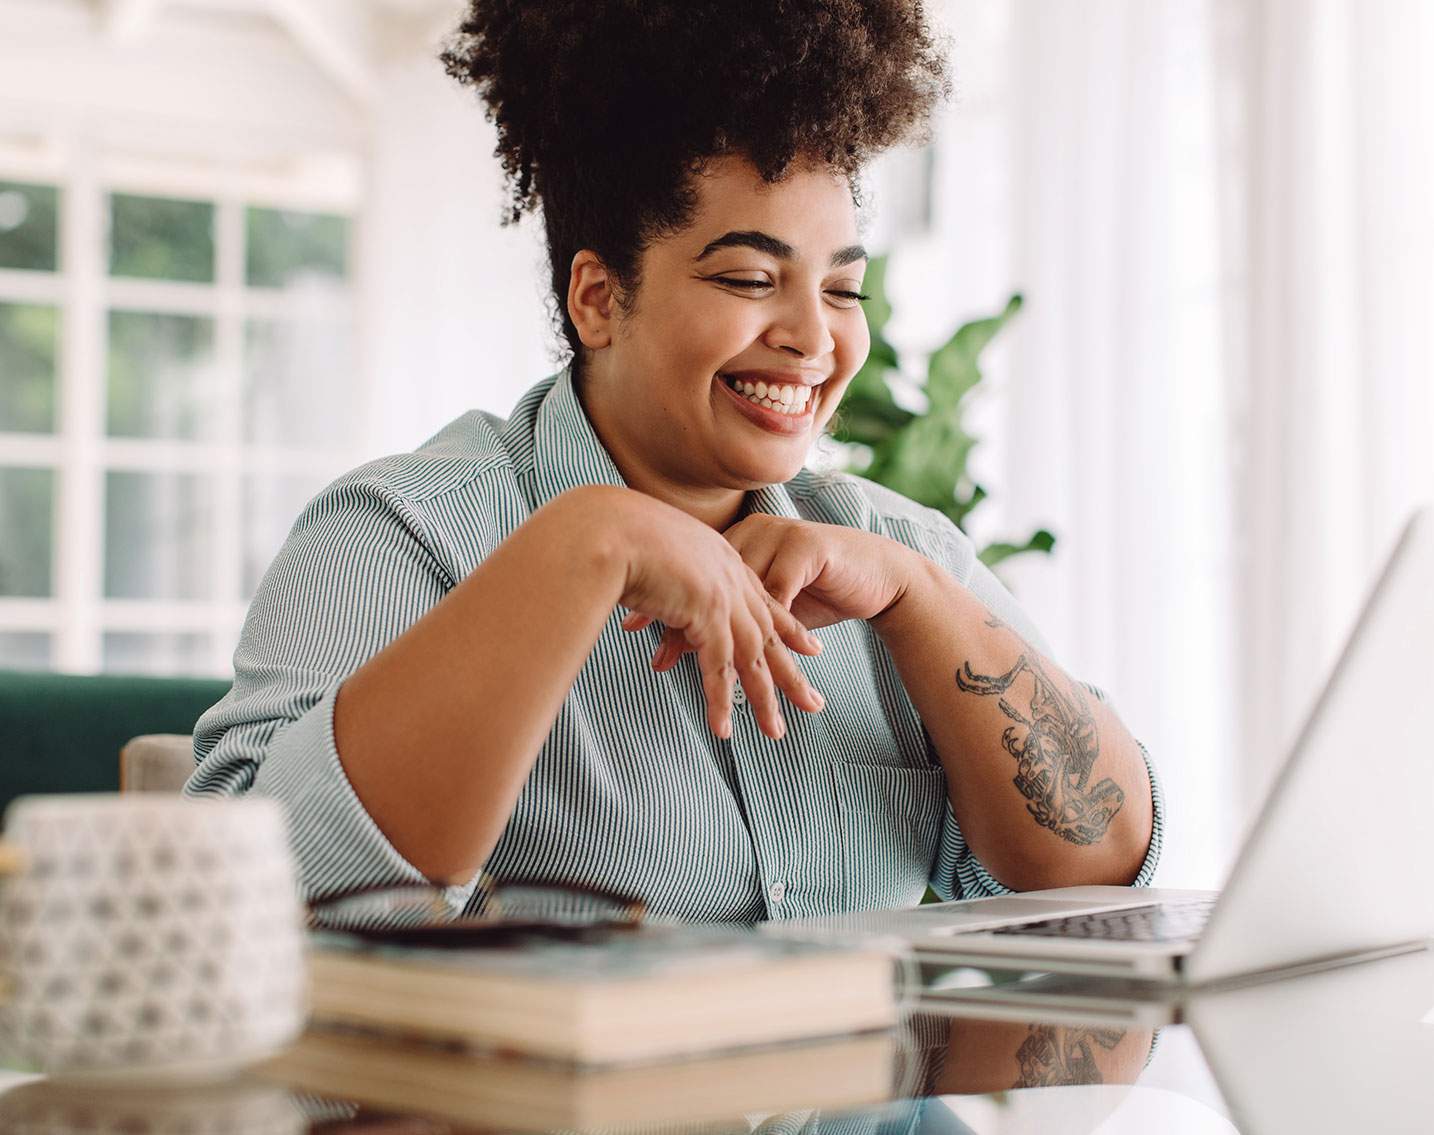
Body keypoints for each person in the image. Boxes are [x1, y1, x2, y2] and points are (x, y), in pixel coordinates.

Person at [188, 0, 1162, 920]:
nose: (812, 336)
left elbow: (1104, 876)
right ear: (598, 298)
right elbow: (250, 900)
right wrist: (582, 546)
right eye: (749, 277)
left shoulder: (893, 551)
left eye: (843, 290)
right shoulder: (401, 533)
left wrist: (922, 602)